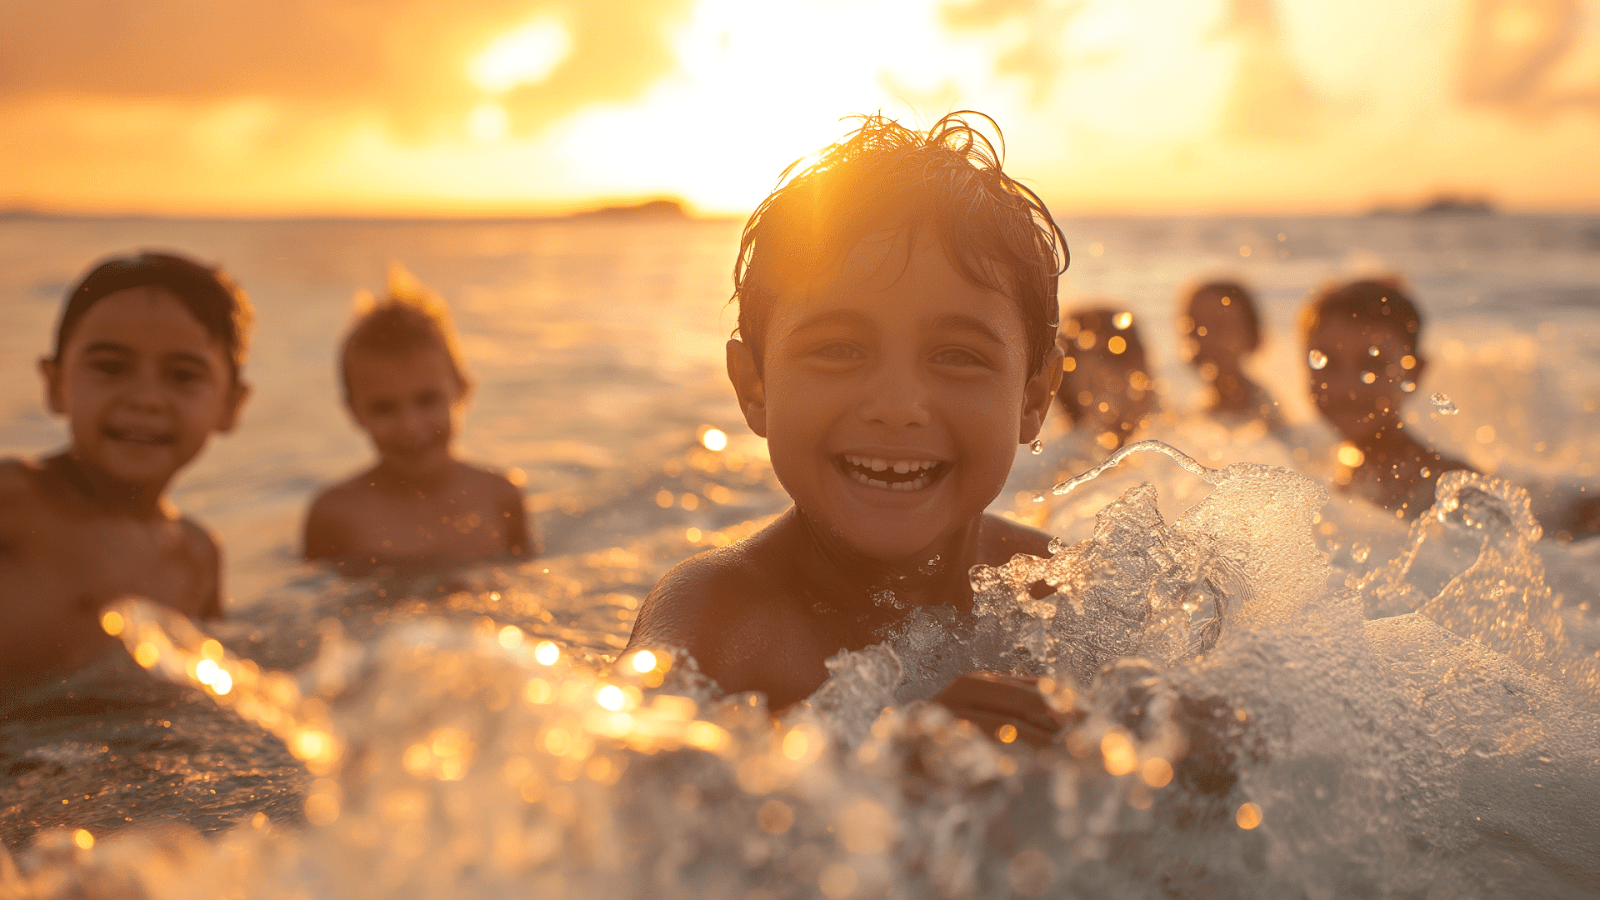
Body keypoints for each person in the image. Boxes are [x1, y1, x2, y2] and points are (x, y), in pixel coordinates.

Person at [625, 112, 1071, 726]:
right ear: (753, 385)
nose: (896, 406)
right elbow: (615, 796)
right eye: (838, 349)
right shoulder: (718, 622)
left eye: (958, 356)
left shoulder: (1062, 598)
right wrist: (884, 775)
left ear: (1033, 397)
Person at [0, 252, 252, 696]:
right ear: (55, 384)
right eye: (111, 367)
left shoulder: (196, 555)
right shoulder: (14, 503)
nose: (145, 398)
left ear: (231, 405)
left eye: (182, 375)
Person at [302, 267, 533, 569]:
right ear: (354, 413)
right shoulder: (336, 514)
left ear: (462, 390)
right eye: (384, 408)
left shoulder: (500, 497)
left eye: (427, 400)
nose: (410, 426)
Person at [1302, 278, 1473, 518]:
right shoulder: (1313, 469)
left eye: (1372, 365)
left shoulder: (1458, 493)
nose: (1347, 386)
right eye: (1326, 363)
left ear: (1413, 373)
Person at [1177, 280, 1286, 432]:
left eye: (1220, 325)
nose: (1205, 339)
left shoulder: (1268, 418)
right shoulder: (1194, 413)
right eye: (1194, 327)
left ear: (1253, 336)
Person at [1056, 306, 1157, 453]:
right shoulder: (1063, 459)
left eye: (1113, 383)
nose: (1110, 397)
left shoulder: (1185, 429)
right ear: (1069, 396)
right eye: (1094, 385)